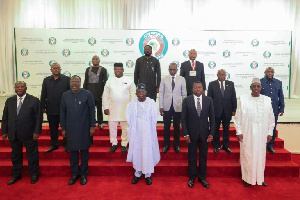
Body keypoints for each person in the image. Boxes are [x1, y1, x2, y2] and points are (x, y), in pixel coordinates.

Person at [234, 78, 275, 187]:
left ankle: (259, 178)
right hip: (248, 133)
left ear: (261, 88)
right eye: (254, 86)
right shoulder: (243, 99)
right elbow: (237, 118)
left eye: (258, 86)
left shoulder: (267, 100)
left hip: (262, 134)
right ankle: (247, 179)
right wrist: (239, 131)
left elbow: (271, 118)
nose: (256, 88)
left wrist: (270, 132)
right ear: (251, 87)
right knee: (248, 155)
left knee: (261, 155)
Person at [1, 81, 42, 185]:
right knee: (15, 156)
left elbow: (38, 118)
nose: (19, 88)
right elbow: (5, 117)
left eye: (22, 87)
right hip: (13, 134)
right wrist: (4, 131)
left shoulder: (34, 100)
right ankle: (16, 175)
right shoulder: (9, 101)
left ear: (26, 88)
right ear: (15, 88)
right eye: (17, 87)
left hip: (29, 133)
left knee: (32, 156)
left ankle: (34, 174)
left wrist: (37, 131)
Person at [60, 75, 96, 185]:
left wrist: (92, 126)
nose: (74, 84)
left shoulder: (87, 94)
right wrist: (63, 128)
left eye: (76, 81)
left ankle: (84, 174)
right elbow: (62, 112)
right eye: (72, 82)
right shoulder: (65, 95)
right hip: (70, 130)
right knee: (73, 153)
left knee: (85, 152)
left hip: (84, 129)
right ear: (70, 83)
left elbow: (91, 111)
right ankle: (74, 174)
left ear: (80, 83)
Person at [181, 81, 215, 188]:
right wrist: (185, 134)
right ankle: (192, 177)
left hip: (205, 134)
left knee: (203, 156)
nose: (197, 89)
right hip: (191, 134)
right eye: (195, 87)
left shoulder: (208, 100)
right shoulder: (187, 100)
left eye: (199, 87)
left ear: (202, 89)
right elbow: (183, 118)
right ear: (192, 89)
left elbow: (212, 118)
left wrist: (211, 133)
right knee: (192, 156)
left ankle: (202, 177)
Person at [126, 83, 160, 185]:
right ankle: (138, 173)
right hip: (136, 132)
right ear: (136, 93)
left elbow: (155, 117)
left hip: (148, 132)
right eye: (139, 91)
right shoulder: (131, 104)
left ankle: (148, 174)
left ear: (146, 92)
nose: (141, 93)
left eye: (143, 91)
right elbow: (129, 118)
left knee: (147, 151)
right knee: (137, 151)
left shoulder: (152, 103)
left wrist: (148, 128)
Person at [103, 63, 136, 153]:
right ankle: (114, 143)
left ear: (123, 70)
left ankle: (124, 144)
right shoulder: (109, 81)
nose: (117, 71)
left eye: (119, 69)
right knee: (112, 127)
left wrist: (132, 107)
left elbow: (133, 94)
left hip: (125, 108)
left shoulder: (129, 80)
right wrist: (105, 107)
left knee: (125, 127)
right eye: (115, 69)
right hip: (112, 108)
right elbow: (105, 95)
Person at [40, 62, 70, 153]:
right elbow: (43, 94)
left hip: (64, 109)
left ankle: (67, 144)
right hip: (51, 109)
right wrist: (42, 106)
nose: (56, 69)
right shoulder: (46, 80)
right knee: (53, 128)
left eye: (57, 68)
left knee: (66, 128)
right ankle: (54, 145)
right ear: (51, 70)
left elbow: (70, 94)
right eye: (54, 68)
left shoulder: (66, 79)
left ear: (60, 69)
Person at [159, 63, 186, 153]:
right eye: (170, 69)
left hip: (178, 106)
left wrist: (184, 107)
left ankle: (176, 145)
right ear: (168, 70)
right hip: (166, 106)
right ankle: (166, 145)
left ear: (177, 70)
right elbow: (161, 93)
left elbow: (184, 94)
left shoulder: (182, 79)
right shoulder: (164, 79)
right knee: (166, 127)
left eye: (174, 69)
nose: (172, 71)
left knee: (177, 127)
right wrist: (161, 106)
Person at [207, 69, 237, 153]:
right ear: (217, 75)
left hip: (227, 111)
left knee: (226, 129)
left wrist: (234, 109)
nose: (221, 76)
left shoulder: (230, 84)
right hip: (215, 111)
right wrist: (209, 111)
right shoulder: (212, 84)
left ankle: (225, 145)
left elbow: (233, 97)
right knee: (215, 129)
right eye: (220, 74)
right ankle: (216, 146)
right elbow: (209, 99)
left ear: (225, 75)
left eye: (223, 74)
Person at [260, 67, 285, 154]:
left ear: (273, 73)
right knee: (262, 127)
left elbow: (281, 96)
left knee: (272, 127)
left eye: (271, 72)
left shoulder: (278, 83)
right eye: (268, 72)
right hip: (262, 110)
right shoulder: (260, 82)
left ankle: (270, 146)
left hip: (274, 109)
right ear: (265, 73)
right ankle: (262, 145)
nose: (270, 73)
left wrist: (281, 108)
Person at [83, 55, 108, 129]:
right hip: (89, 93)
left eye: (97, 59)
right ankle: (92, 123)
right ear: (92, 60)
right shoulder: (88, 69)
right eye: (93, 59)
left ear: (99, 60)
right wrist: (84, 92)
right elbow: (86, 81)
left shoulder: (103, 69)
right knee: (90, 109)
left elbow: (105, 82)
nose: (95, 60)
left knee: (99, 109)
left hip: (99, 93)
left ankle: (100, 123)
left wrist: (104, 93)